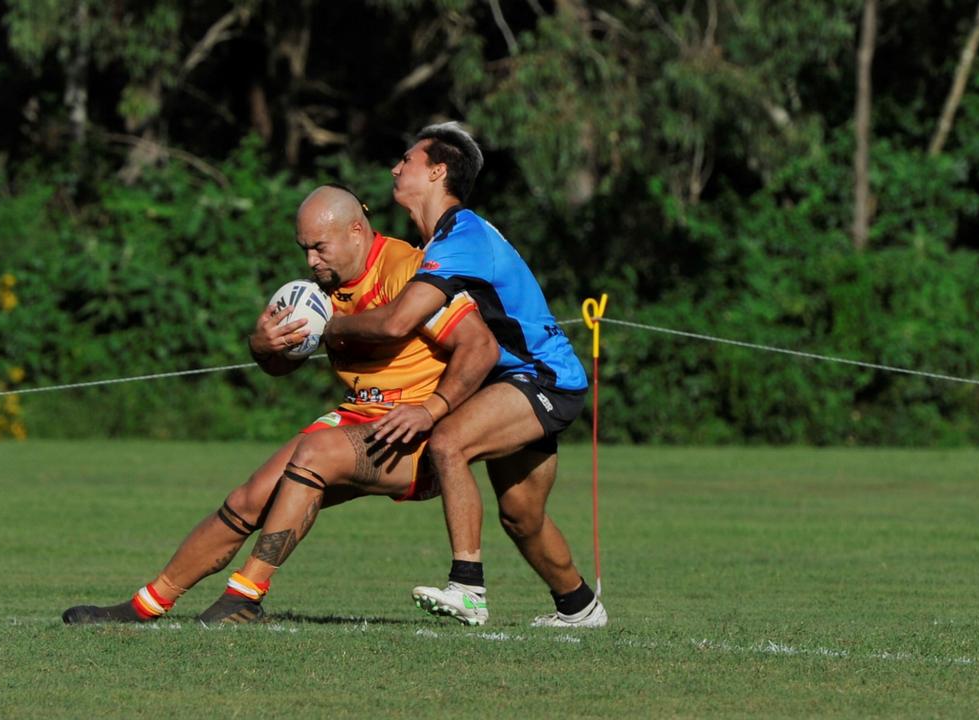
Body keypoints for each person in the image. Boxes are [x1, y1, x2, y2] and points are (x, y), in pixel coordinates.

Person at [62, 185, 497, 625]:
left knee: (313, 454)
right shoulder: (317, 290)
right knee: (248, 498)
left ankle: (245, 596)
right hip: (357, 418)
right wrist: (262, 346)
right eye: (304, 249)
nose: (311, 261)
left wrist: (432, 411)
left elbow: (480, 346)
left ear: (356, 231)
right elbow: (279, 368)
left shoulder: (408, 270)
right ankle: (144, 606)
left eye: (319, 248)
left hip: (416, 435)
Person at [322, 123, 608, 628]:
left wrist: (327, 327)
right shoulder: (443, 239)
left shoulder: (461, 236)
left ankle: (468, 587)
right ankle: (580, 606)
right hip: (516, 381)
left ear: (436, 171)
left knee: (448, 440)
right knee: (522, 515)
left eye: (406, 160)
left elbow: (396, 322)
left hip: (542, 378)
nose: (395, 168)